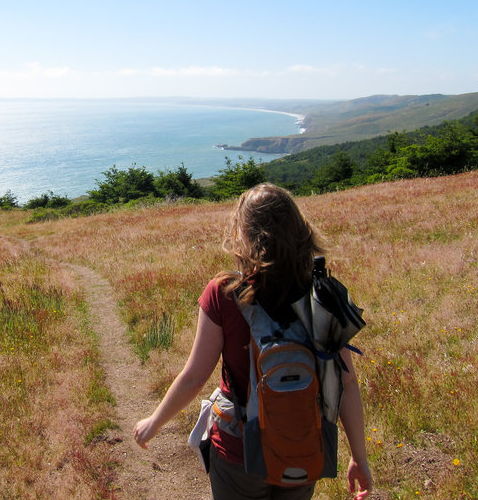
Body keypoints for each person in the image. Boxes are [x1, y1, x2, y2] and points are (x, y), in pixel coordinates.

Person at [133, 183, 373, 500]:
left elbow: (193, 378)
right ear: (300, 230)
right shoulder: (323, 294)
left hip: (237, 451)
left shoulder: (224, 292)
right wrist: (359, 457)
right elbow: (347, 381)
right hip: (301, 444)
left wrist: (154, 423)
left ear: (244, 236)